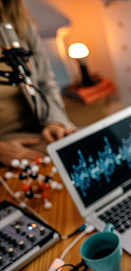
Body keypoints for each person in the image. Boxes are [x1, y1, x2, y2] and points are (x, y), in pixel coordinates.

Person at [0, 0, 75, 166]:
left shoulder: (19, 24)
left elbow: (45, 82)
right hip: (6, 139)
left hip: (40, 126)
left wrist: (55, 121)